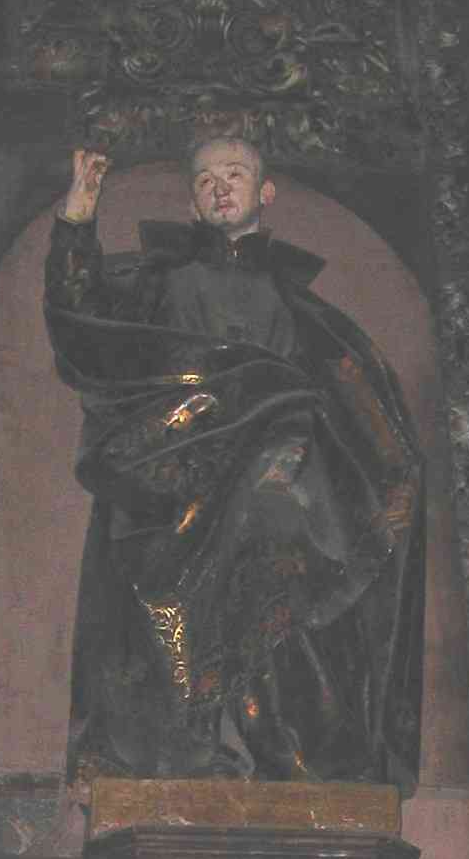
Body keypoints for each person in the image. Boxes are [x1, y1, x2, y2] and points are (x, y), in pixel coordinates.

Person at [44, 135, 425, 787]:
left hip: (276, 482)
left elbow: (362, 410)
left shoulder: (303, 311)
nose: (220, 187)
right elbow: (80, 323)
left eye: (235, 174)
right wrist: (76, 223)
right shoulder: (158, 283)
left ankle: (282, 752)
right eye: (205, 180)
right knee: (167, 615)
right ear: (192, 204)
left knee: (283, 579)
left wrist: (388, 479)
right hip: (173, 479)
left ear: (264, 192)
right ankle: (186, 758)